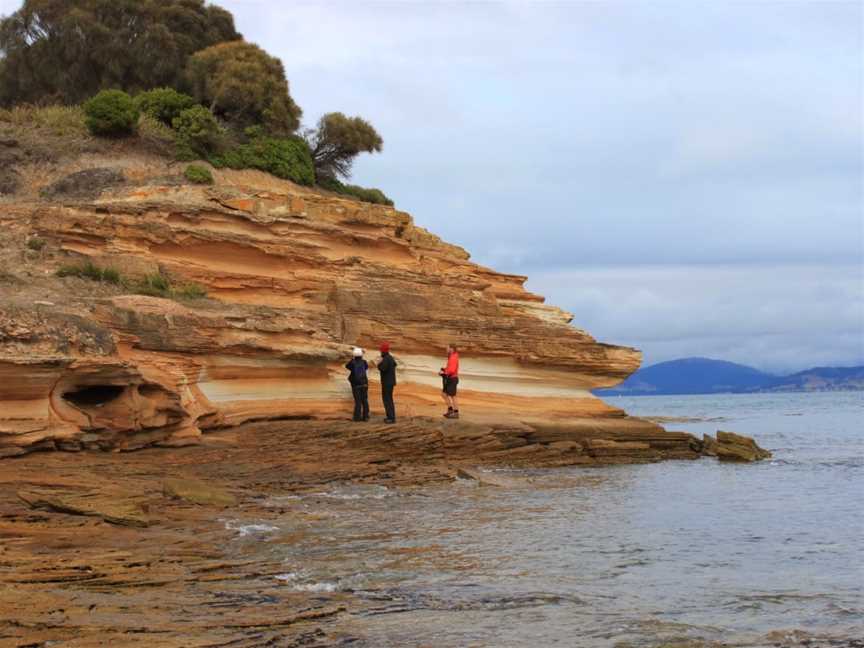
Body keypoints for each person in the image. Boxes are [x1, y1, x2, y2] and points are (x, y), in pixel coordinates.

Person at [345, 347, 369, 422]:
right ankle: (366, 417)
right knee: (364, 400)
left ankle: (357, 417)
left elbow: (347, 366)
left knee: (358, 401)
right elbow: (366, 367)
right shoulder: (364, 362)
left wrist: (352, 358)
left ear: (354, 355)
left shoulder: (352, 363)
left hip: (356, 385)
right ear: (361, 355)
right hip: (364, 384)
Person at [377, 342, 397, 423]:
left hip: (387, 383)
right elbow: (395, 364)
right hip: (391, 382)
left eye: (381, 351)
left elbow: (382, 368)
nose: (380, 352)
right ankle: (391, 417)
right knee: (389, 399)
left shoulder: (386, 359)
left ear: (383, 351)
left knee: (387, 400)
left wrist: (378, 364)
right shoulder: (390, 358)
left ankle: (391, 418)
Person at [440, 343, 460, 418]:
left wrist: (444, 373)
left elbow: (452, 370)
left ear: (451, 349)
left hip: (452, 379)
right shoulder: (452, 356)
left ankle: (456, 412)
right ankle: (450, 410)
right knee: (444, 394)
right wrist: (444, 369)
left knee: (453, 396)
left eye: (447, 348)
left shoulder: (454, 357)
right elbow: (450, 368)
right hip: (449, 378)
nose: (446, 349)